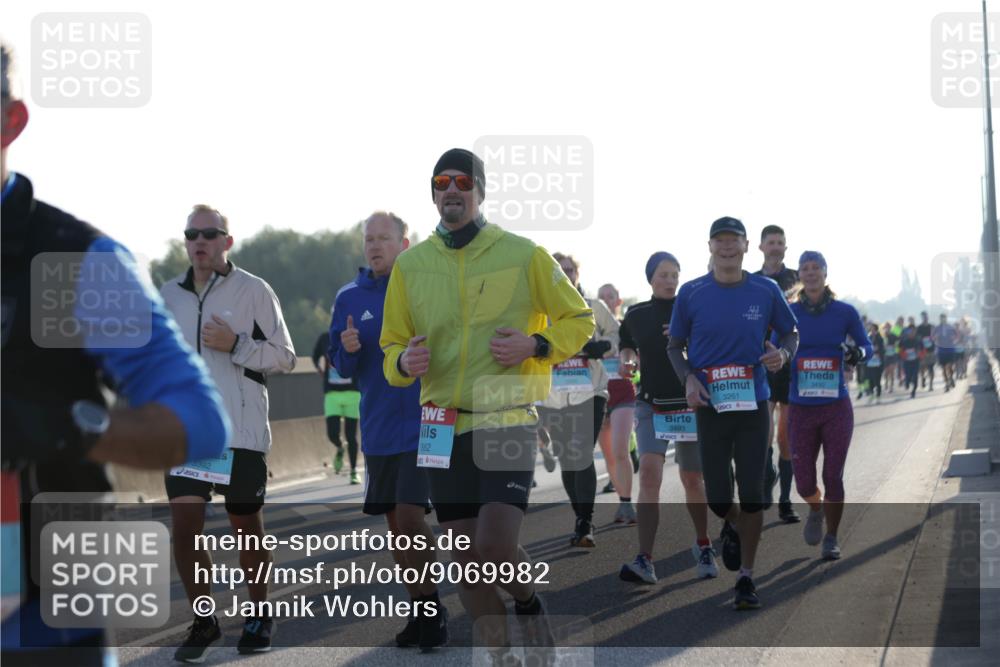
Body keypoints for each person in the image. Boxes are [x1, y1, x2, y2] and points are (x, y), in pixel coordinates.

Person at [0, 43, 231, 667]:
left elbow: (200, 422)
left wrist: (62, 423)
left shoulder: (70, 263)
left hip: (38, 632)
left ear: (11, 122)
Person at [380, 148, 594, 657]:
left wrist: (535, 345)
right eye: (441, 182)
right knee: (465, 561)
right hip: (441, 425)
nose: (451, 189)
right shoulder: (411, 266)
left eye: (462, 181)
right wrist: (403, 363)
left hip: (506, 416)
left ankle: (527, 600)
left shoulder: (522, 253)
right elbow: (391, 346)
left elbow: (578, 320)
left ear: (480, 189)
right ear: (433, 193)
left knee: (494, 549)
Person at [161, 204, 296, 660]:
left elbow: (284, 357)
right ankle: (204, 621)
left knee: (246, 530)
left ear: (226, 241)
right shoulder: (168, 295)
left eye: (209, 233)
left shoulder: (253, 291)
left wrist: (236, 345)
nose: (199, 241)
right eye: (191, 234)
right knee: (185, 530)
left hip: (241, 433)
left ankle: (259, 613)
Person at [328, 211, 446, 650]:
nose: (374, 246)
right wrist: (347, 348)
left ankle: (433, 608)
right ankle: (418, 607)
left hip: (427, 418)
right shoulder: (349, 296)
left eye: (383, 238)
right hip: (377, 424)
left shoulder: (426, 287)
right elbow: (340, 365)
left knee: (413, 517)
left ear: (404, 242)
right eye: (368, 239)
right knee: (397, 526)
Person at [667, 216, 798, 610]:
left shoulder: (765, 289)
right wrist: (689, 379)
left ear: (745, 246)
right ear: (710, 247)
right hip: (710, 405)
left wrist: (782, 354)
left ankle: (746, 578)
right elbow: (674, 347)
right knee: (719, 499)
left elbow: (790, 333)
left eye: (734, 241)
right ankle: (734, 523)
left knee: (755, 492)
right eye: (719, 241)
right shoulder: (691, 293)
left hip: (754, 402)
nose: (726, 247)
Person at [618, 252, 720, 585]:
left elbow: (712, 345)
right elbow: (626, 344)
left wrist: (686, 340)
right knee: (649, 474)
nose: (670, 280)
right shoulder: (636, 314)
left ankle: (704, 544)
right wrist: (628, 359)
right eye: (663, 274)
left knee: (692, 479)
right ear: (651, 278)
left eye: (675, 274)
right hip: (651, 404)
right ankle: (645, 558)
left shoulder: (689, 309)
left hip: (688, 404)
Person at [786, 251, 872, 560]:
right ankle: (815, 508)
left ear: (825, 272)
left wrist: (856, 355)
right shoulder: (788, 312)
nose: (810, 273)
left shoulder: (844, 312)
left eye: (815, 268)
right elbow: (769, 343)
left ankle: (832, 537)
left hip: (836, 406)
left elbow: (867, 346)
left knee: (833, 476)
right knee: (804, 481)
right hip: (800, 408)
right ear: (800, 275)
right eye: (805, 269)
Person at [537, 254, 618, 547]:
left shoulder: (594, 307)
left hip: (591, 392)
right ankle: (580, 515)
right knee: (567, 459)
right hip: (553, 398)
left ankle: (585, 522)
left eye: (569, 269)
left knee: (581, 451)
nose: (565, 274)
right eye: (558, 270)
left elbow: (615, 335)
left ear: (577, 274)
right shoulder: (538, 311)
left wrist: (602, 347)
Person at [755, 225, 799, 523]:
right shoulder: (752, 281)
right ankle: (766, 473)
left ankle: (785, 501)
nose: (775, 247)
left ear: (785, 247)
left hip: (792, 364)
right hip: (761, 364)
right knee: (764, 434)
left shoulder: (798, 278)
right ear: (760, 247)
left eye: (780, 242)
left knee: (786, 436)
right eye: (770, 242)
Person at [596, 282, 639, 504]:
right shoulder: (588, 332)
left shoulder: (625, 328)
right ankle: (622, 498)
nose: (605, 301)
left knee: (620, 450)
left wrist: (631, 363)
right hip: (599, 396)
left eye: (609, 296)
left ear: (618, 301)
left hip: (623, 393)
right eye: (600, 297)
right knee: (610, 456)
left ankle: (626, 503)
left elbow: (637, 357)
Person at [312, 330, 361, 483]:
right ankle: (340, 447)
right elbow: (315, 356)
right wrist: (320, 370)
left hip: (352, 393)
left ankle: (353, 471)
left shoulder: (355, 336)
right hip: (332, 394)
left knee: (351, 435)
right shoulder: (325, 338)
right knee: (332, 434)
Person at [932, 313, 958, 392]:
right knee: (943, 368)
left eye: (944, 318)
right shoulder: (937, 328)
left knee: (950, 366)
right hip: (941, 350)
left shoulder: (950, 327)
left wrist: (954, 338)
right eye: (941, 318)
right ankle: (946, 384)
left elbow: (957, 335)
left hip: (950, 349)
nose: (943, 319)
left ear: (946, 318)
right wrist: (935, 338)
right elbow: (932, 337)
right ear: (940, 319)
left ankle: (951, 378)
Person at [863, 322, 885, 403]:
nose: (871, 329)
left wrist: (877, 351)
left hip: (878, 363)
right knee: (870, 380)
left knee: (877, 380)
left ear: (875, 329)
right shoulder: (868, 337)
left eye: (872, 328)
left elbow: (882, 349)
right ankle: (871, 395)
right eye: (870, 328)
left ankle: (878, 397)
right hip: (869, 363)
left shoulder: (880, 338)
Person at [899, 323, 921, 399]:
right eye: (910, 331)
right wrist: (903, 354)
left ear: (915, 331)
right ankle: (907, 382)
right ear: (907, 331)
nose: (911, 332)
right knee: (908, 375)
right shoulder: (904, 340)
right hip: (907, 361)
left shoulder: (918, 340)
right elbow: (899, 349)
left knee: (915, 376)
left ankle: (913, 391)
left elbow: (923, 350)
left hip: (916, 361)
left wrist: (919, 354)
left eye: (913, 331)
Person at [916, 311, 936, 391]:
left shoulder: (932, 327)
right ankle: (923, 378)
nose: (925, 318)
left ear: (928, 317)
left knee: (931, 368)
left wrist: (933, 338)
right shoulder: (919, 328)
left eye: (926, 316)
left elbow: (936, 336)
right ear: (922, 318)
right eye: (923, 317)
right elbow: (917, 339)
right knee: (922, 367)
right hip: (922, 351)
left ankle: (931, 385)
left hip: (931, 350)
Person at [883, 322, 899, 394]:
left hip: (892, 355)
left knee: (892, 371)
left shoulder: (894, 336)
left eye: (888, 327)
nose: (887, 328)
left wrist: (895, 346)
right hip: (885, 356)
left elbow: (899, 341)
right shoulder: (883, 336)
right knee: (886, 372)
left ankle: (891, 387)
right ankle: (886, 382)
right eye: (886, 327)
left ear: (890, 328)